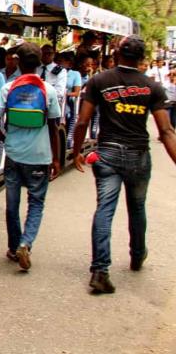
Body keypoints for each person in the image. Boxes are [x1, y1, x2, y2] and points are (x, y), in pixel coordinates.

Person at [73, 35, 176, 295]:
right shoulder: (151, 87)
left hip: (107, 154)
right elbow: (166, 131)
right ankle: (137, 254)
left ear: (118, 53)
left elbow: (82, 122)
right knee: (137, 207)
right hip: (138, 155)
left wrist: (75, 152)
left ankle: (100, 270)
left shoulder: (99, 81)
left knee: (104, 210)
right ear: (141, 59)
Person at [0, 42, 62, 271]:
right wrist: (57, 159)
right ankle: (25, 243)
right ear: (41, 62)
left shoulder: (8, 89)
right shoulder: (48, 90)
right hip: (39, 157)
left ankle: (13, 247)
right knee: (36, 202)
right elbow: (54, 127)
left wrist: (6, 139)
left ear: (17, 62)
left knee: (12, 204)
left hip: (13, 155)